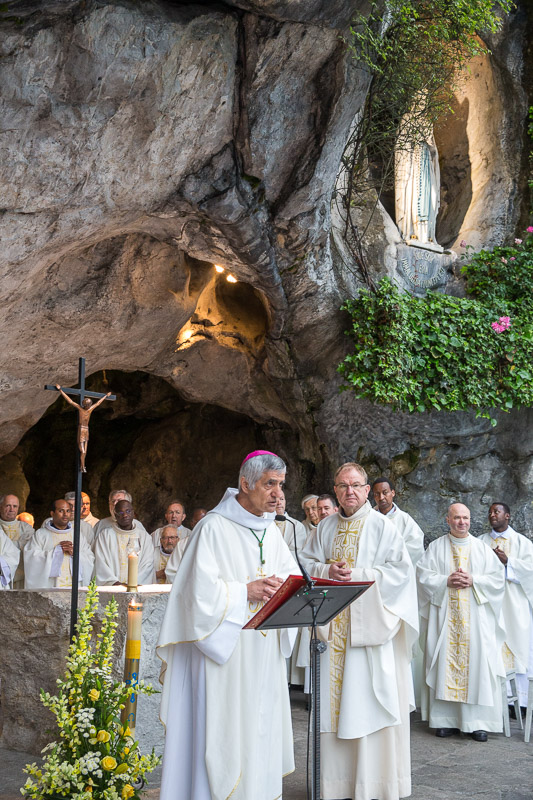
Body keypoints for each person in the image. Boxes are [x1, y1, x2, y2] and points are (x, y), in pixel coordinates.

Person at [157, 450, 297, 800]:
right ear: (245, 484)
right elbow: (195, 595)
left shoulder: (271, 530)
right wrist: (244, 592)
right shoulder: (213, 528)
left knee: (259, 729)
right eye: (270, 484)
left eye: (280, 485)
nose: (277, 494)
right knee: (225, 732)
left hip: (262, 652)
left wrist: (287, 588)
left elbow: (290, 576)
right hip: (224, 653)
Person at [302, 462, 418, 800]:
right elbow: (304, 563)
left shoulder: (383, 527)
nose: (349, 491)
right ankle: (334, 786)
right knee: (333, 709)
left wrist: (358, 575)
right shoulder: (324, 528)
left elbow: (400, 574)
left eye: (355, 485)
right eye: (342, 486)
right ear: (335, 491)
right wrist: (326, 570)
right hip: (333, 636)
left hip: (368, 637)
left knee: (366, 701)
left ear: (367, 490)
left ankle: (373, 786)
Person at [417, 502, 505, 741]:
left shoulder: (482, 549)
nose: (461, 522)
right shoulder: (436, 547)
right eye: (456, 517)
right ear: (448, 520)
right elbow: (422, 576)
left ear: (470, 520)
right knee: (444, 663)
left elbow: (498, 580)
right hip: (446, 618)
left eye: (465, 518)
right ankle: (445, 721)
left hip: (475, 620)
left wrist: (475, 581)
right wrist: (445, 581)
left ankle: (478, 723)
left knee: (477, 665)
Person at [479, 502, 533, 708]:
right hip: (490, 604)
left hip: (515, 606)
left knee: (518, 648)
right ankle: (498, 700)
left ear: (507, 516)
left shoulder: (523, 543)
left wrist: (508, 562)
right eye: (490, 512)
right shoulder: (480, 542)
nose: (492, 515)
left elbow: (531, 571)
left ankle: (521, 702)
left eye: (497, 511)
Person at [24, 499, 94, 589]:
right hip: (50, 587)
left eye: (68, 511)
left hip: (73, 588)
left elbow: (90, 558)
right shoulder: (41, 535)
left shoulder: (77, 535)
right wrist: (56, 552)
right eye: (61, 511)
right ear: (52, 513)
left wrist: (75, 554)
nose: (65, 514)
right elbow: (30, 558)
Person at [94, 500, 154, 586]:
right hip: (112, 588)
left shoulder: (144, 537)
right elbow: (100, 562)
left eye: (128, 511)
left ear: (133, 513)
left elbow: (147, 564)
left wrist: (133, 583)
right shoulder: (105, 536)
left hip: (137, 587)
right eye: (120, 512)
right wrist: (114, 582)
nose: (125, 515)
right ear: (115, 515)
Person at [372, 477, 425, 566]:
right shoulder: (369, 518)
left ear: (393, 493)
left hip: (397, 569)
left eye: (385, 492)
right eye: (377, 494)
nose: (381, 497)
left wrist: (391, 557)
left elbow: (416, 546)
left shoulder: (405, 520)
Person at [0, 493, 34, 589]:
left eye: (15, 506)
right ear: (0, 507)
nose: (11, 509)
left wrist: (4, 548)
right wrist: (19, 545)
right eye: (8, 505)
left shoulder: (26, 528)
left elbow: (30, 547)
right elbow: (22, 546)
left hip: (22, 578)